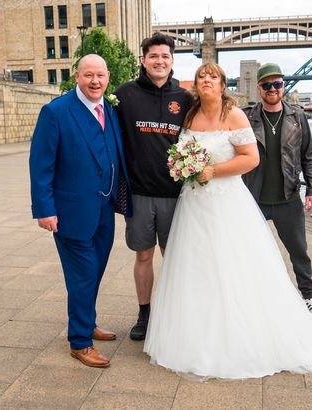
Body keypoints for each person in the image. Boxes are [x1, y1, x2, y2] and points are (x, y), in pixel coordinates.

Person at [144, 63, 312, 381]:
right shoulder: (190, 116)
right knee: (196, 266)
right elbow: (184, 151)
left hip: (226, 199)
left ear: (223, 84)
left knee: (235, 265)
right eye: (201, 77)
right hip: (194, 203)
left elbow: (250, 158)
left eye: (212, 77)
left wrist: (212, 171)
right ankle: (196, 329)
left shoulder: (236, 115)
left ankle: (278, 312)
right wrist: (183, 165)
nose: (205, 81)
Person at [29, 54, 130, 368]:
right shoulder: (56, 112)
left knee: (96, 270)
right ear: (77, 76)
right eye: (89, 75)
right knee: (83, 273)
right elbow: (40, 165)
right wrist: (44, 209)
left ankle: (88, 322)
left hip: (104, 207)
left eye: (100, 75)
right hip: (71, 212)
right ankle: (80, 342)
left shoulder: (109, 110)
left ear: (108, 76)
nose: (95, 81)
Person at [114, 32, 194, 341]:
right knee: (144, 256)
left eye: (165, 56)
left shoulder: (185, 98)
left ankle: (173, 314)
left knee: (174, 257)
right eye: (153, 56)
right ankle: (144, 314)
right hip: (139, 194)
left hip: (177, 195)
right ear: (143, 60)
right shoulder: (125, 95)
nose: (159, 61)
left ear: (172, 61)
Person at [242, 63, 312, 321]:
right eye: (267, 85)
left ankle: (309, 296)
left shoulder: (297, 116)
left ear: (283, 86)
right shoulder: (247, 117)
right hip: (252, 198)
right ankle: (250, 298)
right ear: (259, 89)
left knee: (298, 250)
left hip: (287, 197)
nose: (272, 89)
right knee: (248, 253)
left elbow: (308, 156)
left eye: (277, 84)